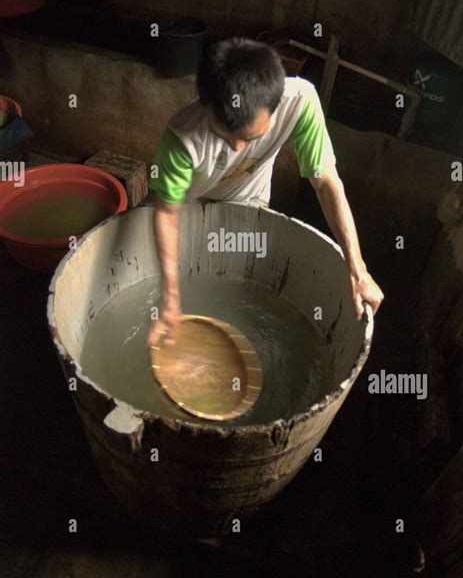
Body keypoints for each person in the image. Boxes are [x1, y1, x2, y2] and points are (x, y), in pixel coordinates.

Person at [147, 37, 383, 347]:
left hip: (248, 200)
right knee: (171, 273)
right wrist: (171, 300)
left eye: (250, 137)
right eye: (224, 135)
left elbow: (325, 182)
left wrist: (357, 268)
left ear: (275, 103)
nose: (237, 148)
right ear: (205, 103)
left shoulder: (300, 102)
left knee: (242, 291)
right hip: (187, 206)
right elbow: (166, 213)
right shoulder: (182, 138)